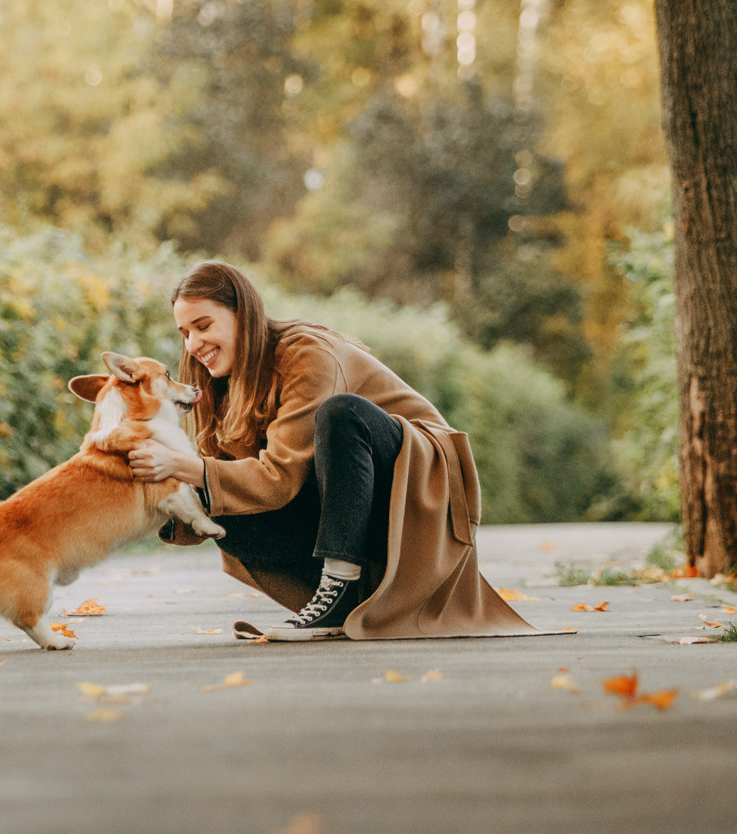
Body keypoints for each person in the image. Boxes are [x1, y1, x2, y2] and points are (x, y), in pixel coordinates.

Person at [126, 261, 535, 642]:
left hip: (417, 493)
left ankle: (337, 592)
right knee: (223, 504)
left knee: (341, 414)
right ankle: (347, 601)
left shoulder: (305, 353)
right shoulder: (217, 382)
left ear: (243, 315)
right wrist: (142, 496)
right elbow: (228, 481)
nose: (194, 343)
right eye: (185, 332)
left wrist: (186, 467)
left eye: (203, 325)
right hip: (346, 505)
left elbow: (278, 478)